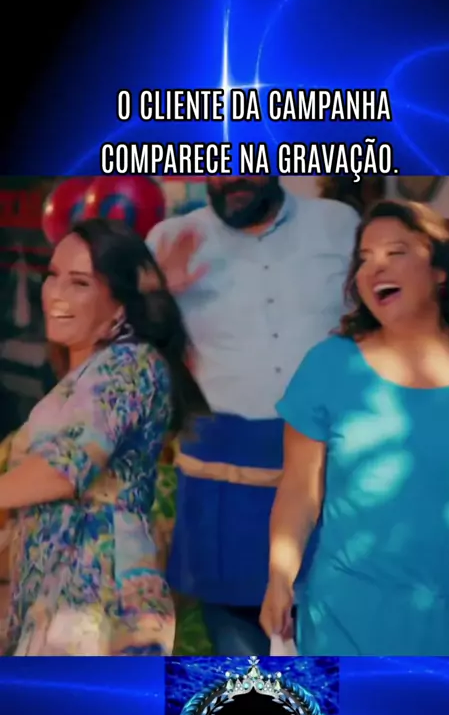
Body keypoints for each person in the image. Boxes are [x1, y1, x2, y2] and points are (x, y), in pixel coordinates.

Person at [147, 177, 359, 655]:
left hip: (328, 462)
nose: (229, 176)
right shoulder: (169, 240)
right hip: (221, 467)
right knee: (238, 640)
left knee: (335, 627)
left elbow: (375, 320)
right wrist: (159, 297)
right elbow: (131, 351)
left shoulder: (338, 224)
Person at [261, 199, 449, 656]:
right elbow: (300, 490)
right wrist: (280, 577)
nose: (375, 267)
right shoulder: (328, 366)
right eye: (364, 258)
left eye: (396, 252)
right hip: (351, 621)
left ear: (440, 271)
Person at [0, 218, 208, 656]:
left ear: (120, 306)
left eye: (79, 282)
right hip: (55, 596)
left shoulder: (129, 364)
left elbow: (64, 469)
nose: (55, 293)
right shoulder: (82, 378)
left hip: (98, 603)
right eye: (53, 275)